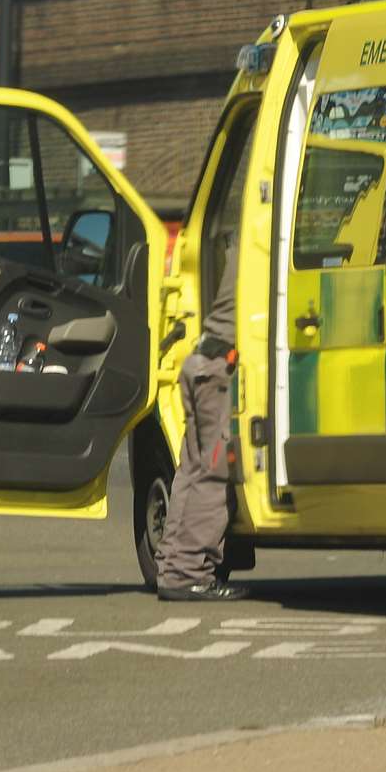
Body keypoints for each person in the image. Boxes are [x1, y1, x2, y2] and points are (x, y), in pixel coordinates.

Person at [152, 236, 248, 602]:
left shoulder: (245, 244)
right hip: (219, 369)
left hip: (201, 363)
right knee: (213, 472)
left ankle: (173, 567)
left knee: (191, 471)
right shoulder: (263, 245)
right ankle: (188, 573)